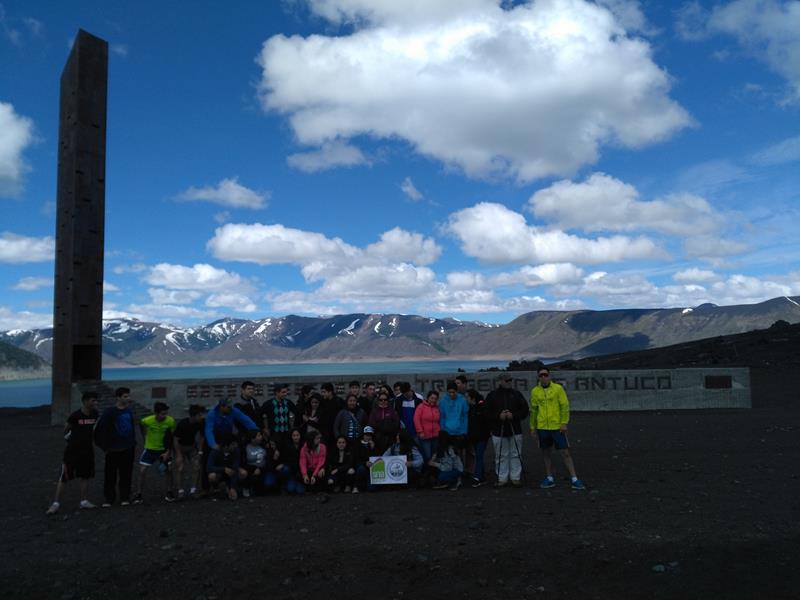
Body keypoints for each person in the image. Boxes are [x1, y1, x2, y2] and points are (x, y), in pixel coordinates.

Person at [529, 368, 586, 490]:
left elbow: (564, 406)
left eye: (545, 375)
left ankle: (574, 479)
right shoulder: (535, 391)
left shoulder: (558, 389)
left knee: (565, 453)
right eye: (541, 375)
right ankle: (549, 478)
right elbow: (534, 410)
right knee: (546, 453)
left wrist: (564, 423)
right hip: (542, 427)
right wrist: (532, 427)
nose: (543, 377)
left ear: (549, 376)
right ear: (538, 377)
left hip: (557, 427)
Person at [46, 391, 100, 514]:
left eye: (96, 400)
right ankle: (55, 504)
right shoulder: (75, 416)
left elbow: (95, 429)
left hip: (87, 450)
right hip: (72, 452)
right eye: (93, 400)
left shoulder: (95, 414)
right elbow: (66, 430)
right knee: (64, 477)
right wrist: (71, 441)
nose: (95, 403)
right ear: (85, 401)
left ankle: (83, 501)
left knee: (85, 475)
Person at [94, 387, 137, 507]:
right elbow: (100, 429)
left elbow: (131, 427)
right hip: (113, 449)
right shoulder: (110, 412)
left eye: (128, 396)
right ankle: (109, 499)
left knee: (126, 474)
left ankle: (125, 497)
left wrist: (132, 443)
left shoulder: (129, 411)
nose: (128, 398)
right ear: (118, 397)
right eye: (125, 396)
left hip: (128, 448)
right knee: (110, 475)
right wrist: (105, 447)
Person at [486, 374, 529, 488]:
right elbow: (487, 412)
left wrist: (513, 415)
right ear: (500, 381)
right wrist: (498, 416)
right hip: (498, 430)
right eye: (507, 380)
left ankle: (515, 478)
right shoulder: (492, 395)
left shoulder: (517, 394)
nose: (509, 382)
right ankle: (502, 478)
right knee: (501, 455)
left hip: (515, 429)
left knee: (516, 454)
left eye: (510, 380)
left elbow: (525, 410)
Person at [132, 401, 177, 504]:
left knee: (169, 470)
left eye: (166, 413)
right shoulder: (148, 420)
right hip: (150, 449)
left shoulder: (170, 421)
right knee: (142, 471)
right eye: (162, 414)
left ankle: (169, 492)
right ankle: (138, 494)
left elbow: (172, 437)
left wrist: (168, 451)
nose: (164, 416)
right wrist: (144, 437)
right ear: (156, 413)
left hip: (163, 450)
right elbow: (141, 424)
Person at [173, 404, 206, 499]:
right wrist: (178, 455)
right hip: (181, 448)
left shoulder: (201, 423)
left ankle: (193, 490)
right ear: (193, 416)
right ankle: (180, 491)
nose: (201, 417)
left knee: (197, 466)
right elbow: (175, 439)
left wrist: (200, 451)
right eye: (199, 415)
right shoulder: (182, 424)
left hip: (192, 447)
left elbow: (202, 436)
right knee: (180, 468)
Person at [438, 380, 469, 464]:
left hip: (459, 433)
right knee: (449, 455)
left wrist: (464, 431)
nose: (451, 394)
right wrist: (443, 430)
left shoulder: (462, 400)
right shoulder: (443, 401)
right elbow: (442, 417)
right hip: (447, 432)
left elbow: (465, 417)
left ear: (457, 391)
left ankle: (461, 471)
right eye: (449, 392)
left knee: (460, 455)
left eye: (453, 392)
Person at [263, 383, 300, 449]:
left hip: (286, 433)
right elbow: (259, 415)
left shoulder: (288, 402)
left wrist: (294, 427)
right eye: (283, 392)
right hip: (274, 433)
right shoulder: (268, 403)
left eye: (286, 392)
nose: (285, 394)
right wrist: (264, 428)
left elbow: (297, 413)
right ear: (277, 393)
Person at [466, 389, 491, 487]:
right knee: (478, 455)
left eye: (468, 397)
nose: (466, 399)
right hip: (475, 436)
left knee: (479, 456)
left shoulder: (482, 407)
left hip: (482, 436)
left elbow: (487, 422)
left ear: (472, 398)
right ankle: (482, 477)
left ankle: (477, 477)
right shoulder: (472, 408)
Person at [206, 435, 241, 500]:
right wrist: (224, 469)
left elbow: (235, 468)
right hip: (219, 474)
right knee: (212, 476)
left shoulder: (236, 451)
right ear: (226, 446)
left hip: (230, 474)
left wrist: (232, 488)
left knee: (242, 473)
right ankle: (216, 489)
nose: (235, 446)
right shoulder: (215, 451)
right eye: (233, 444)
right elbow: (209, 467)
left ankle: (235, 488)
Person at [413, 390, 441, 470]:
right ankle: (426, 471)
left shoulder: (437, 408)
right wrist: (420, 431)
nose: (433, 400)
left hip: (436, 436)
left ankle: (433, 472)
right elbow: (416, 419)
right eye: (432, 398)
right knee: (427, 455)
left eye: (435, 399)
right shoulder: (421, 406)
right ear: (428, 398)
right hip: (425, 436)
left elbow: (440, 420)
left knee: (434, 455)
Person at [281, 428, 306, 495]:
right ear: (291, 436)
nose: (296, 437)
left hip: (301, 472)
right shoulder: (287, 446)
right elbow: (285, 459)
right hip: (291, 471)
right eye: (294, 435)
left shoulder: (304, 445)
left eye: (297, 435)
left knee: (300, 491)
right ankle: (287, 484)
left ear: (300, 436)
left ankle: (298, 483)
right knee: (291, 489)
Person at [353, 426, 378, 493]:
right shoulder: (357, 444)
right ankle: (356, 486)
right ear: (363, 435)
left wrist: (373, 448)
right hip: (361, 466)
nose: (368, 437)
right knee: (361, 469)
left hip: (373, 468)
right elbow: (356, 458)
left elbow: (378, 458)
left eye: (370, 435)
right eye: (366, 435)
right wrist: (365, 463)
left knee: (371, 489)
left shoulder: (375, 443)